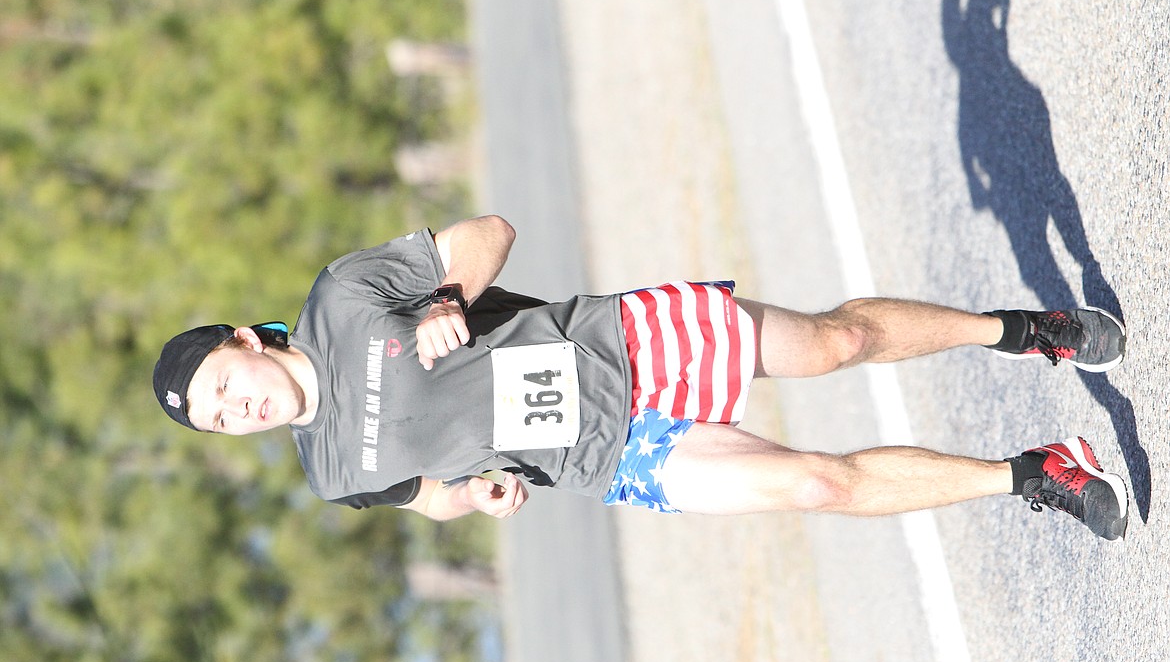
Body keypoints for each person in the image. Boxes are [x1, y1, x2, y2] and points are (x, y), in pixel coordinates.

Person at [153, 215, 1130, 539]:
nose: (233, 408)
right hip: (603, 451)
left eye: (219, 383)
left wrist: (446, 299)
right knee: (812, 483)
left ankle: (1021, 330)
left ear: (245, 339)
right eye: (217, 421)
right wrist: (481, 496)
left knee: (835, 345)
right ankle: (1039, 471)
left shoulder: (342, 297)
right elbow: (431, 498)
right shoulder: (331, 473)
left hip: (622, 345)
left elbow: (489, 234)